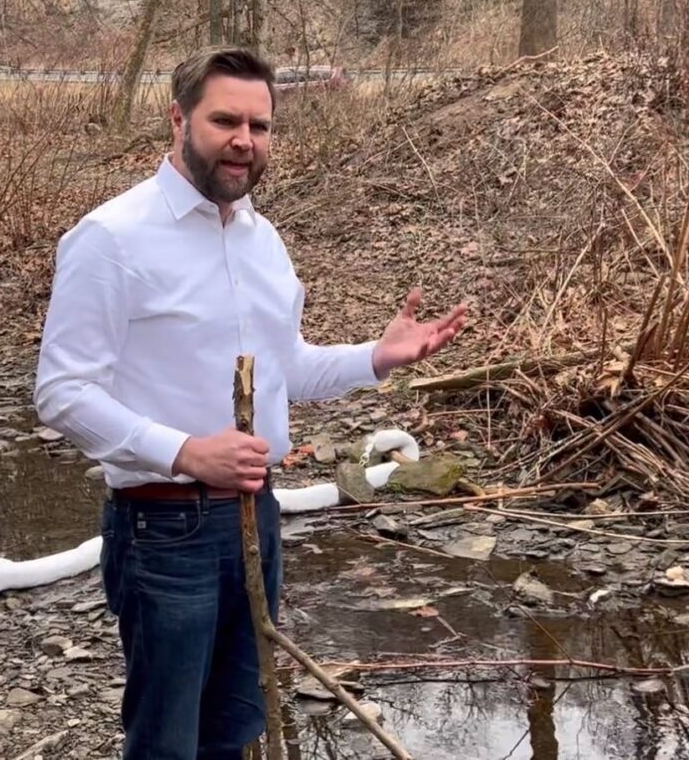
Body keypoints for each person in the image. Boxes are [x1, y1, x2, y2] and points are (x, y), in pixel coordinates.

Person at [33, 45, 467, 760]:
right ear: (178, 120)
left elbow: (283, 371)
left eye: (260, 126)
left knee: (235, 727)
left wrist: (374, 358)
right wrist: (185, 451)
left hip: (256, 520)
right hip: (163, 528)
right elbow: (61, 391)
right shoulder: (111, 237)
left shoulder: (264, 241)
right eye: (226, 120)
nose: (245, 140)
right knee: (168, 742)